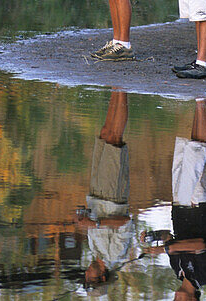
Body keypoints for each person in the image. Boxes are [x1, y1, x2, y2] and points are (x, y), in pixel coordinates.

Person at [143, 98, 206, 300]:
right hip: (199, 209)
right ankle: (202, 101)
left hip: (180, 208)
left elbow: (170, 237)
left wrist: (156, 236)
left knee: (190, 152)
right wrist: (164, 249)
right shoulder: (204, 277)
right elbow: (199, 245)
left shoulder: (177, 272)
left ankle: (198, 102)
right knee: (200, 152)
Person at [75, 89, 137, 288]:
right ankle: (124, 89)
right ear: (102, 277)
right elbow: (126, 222)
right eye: (89, 277)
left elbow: (95, 222)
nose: (86, 272)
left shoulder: (96, 251)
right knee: (114, 140)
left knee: (105, 134)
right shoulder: (115, 255)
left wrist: (83, 216)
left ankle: (115, 88)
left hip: (96, 194)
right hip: (113, 196)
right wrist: (95, 225)